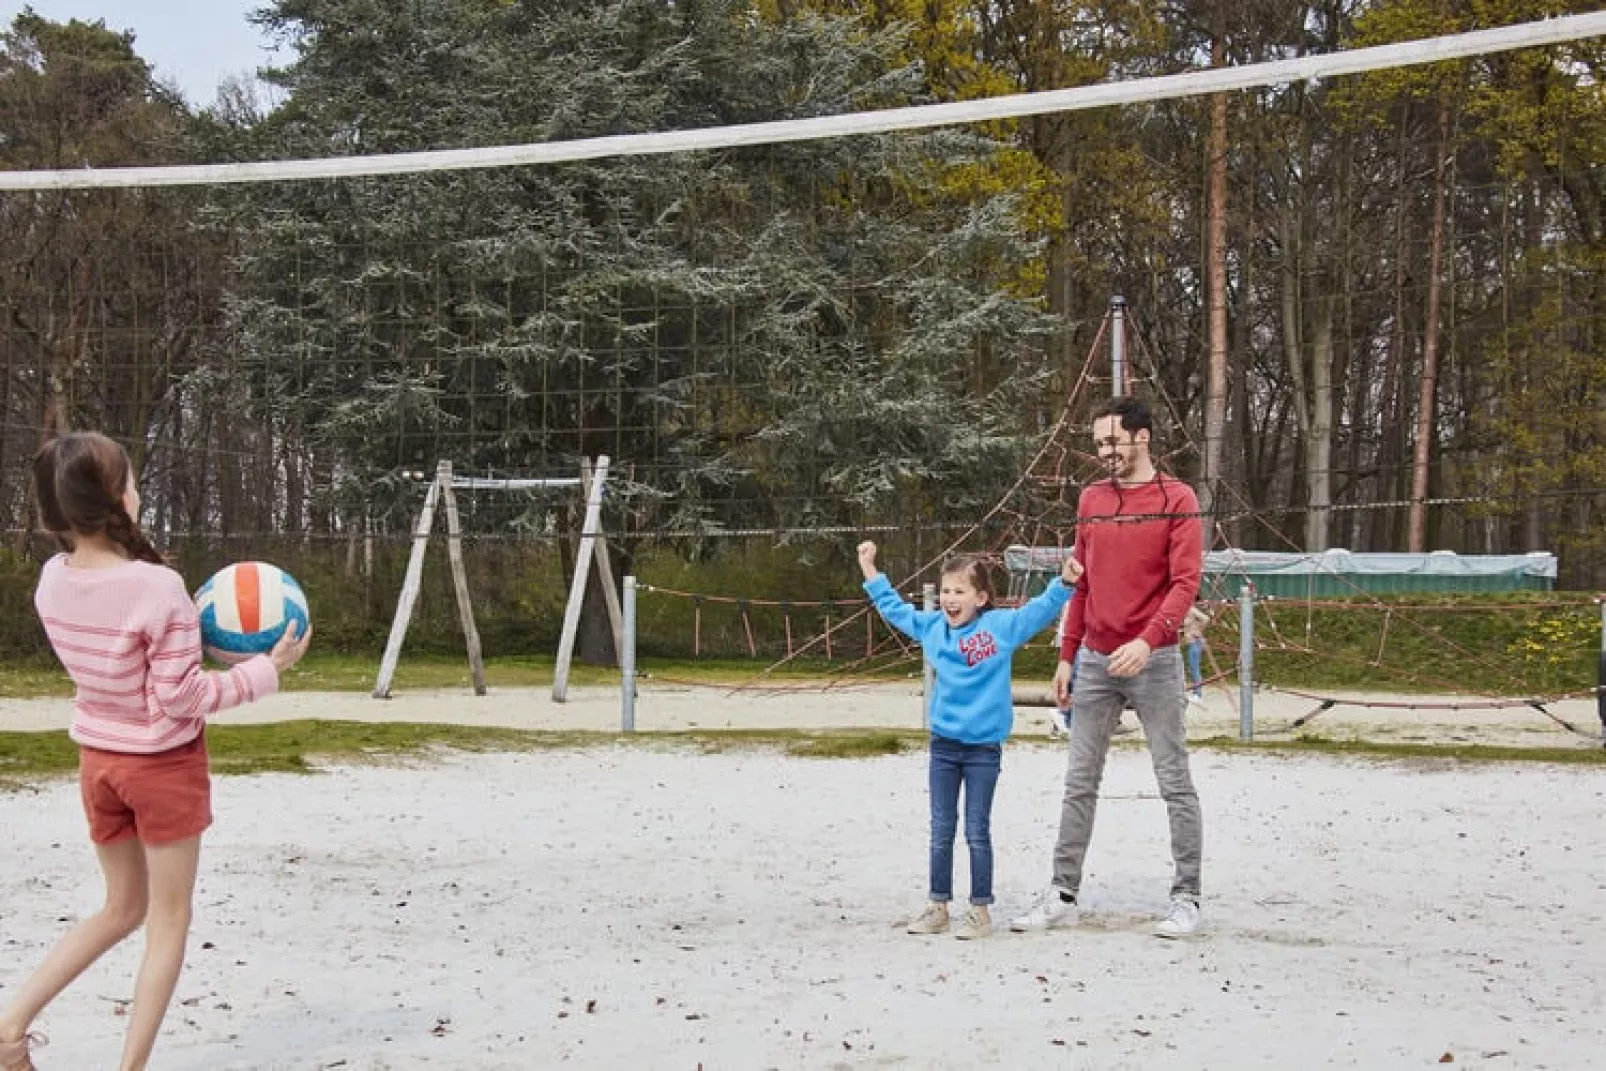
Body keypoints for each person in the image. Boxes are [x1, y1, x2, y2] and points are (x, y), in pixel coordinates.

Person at [0, 432, 310, 1071]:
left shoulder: (51, 581)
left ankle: (8, 1028)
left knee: (121, 908)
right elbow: (182, 698)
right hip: (160, 770)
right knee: (166, 920)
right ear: (115, 499)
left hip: (99, 766)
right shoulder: (157, 588)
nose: (137, 490)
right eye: (132, 480)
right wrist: (266, 671)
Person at [1009, 395, 1205, 939]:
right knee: (1079, 781)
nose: (1105, 452)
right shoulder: (1092, 499)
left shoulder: (1178, 498)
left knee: (1174, 779)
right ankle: (1062, 891)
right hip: (1094, 658)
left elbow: (1185, 582)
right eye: (1098, 443)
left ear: (1143, 437)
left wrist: (1149, 640)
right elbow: (1083, 577)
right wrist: (1067, 654)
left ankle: (1187, 896)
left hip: (1156, 660)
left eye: (1113, 441)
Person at [858, 541, 1081, 940]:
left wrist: (1063, 583)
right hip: (944, 747)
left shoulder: (999, 629)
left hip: (983, 750)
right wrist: (870, 569)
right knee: (941, 828)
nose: (949, 598)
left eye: (959, 591)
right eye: (945, 590)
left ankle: (980, 910)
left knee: (977, 829)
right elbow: (893, 609)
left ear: (980, 598)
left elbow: (1038, 612)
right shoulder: (931, 628)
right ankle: (938, 905)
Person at [1182, 603, 1210, 703]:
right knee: (1193, 668)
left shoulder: (1191, 609)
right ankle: (1196, 692)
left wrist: (1198, 631)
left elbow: (1206, 619)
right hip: (1191, 643)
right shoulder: (1186, 610)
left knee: (1195, 668)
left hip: (1195, 642)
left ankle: (1198, 694)